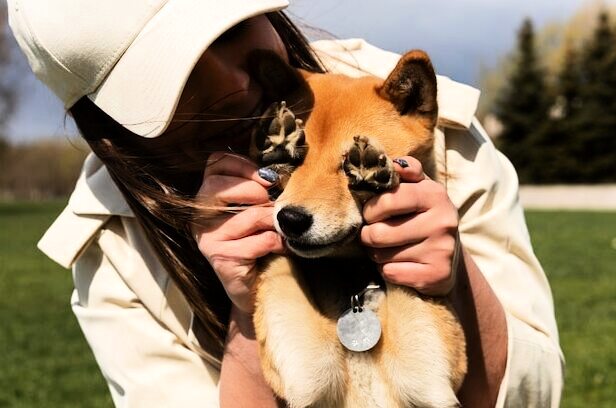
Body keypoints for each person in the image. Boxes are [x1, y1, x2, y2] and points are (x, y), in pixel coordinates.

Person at [9, 0, 564, 406]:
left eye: (228, 33)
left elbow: (536, 395)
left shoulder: (432, 131)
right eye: (174, 83)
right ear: (105, 124)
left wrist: (457, 278)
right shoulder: (111, 250)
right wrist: (250, 316)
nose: (239, 82)